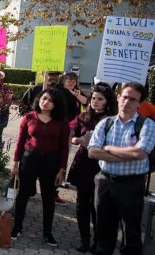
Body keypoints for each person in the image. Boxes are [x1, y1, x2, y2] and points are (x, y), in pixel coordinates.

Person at [88, 82, 155, 255]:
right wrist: (126, 154)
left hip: (131, 185)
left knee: (130, 233)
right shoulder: (105, 123)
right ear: (118, 98)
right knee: (102, 230)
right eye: (124, 97)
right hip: (105, 182)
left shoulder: (147, 125)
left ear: (140, 103)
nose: (127, 102)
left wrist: (109, 148)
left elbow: (140, 153)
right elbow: (93, 151)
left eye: (133, 99)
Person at [10, 87, 70, 246]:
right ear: (38, 99)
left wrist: (62, 169)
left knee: (48, 198)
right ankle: (17, 227)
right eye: (44, 98)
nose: (46, 102)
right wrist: (15, 163)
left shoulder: (62, 121)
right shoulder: (29, 117)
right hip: (29, 158)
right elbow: (20, 142)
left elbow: (65, 147)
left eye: (50, 100)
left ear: (56, 104)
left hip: (51, 161)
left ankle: (47, 233)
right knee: (23, 194)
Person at [67, 82, 117, 253]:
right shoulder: (83, 117)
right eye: (93, 98)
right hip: (83, 163)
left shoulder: (113, 120)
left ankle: (98, 241)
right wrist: (80, 140)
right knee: (82, 205)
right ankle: (84, 239)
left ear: (107, 101)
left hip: (101, 165)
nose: (95, 101)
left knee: (99, 206)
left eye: (100, 99)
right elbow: (73, 136)